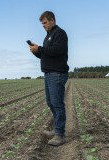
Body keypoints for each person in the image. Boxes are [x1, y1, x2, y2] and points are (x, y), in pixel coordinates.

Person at [29, 11, 69, 146]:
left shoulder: (60, 33)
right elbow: (46, 55)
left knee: (57, 104)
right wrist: (36, 52)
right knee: (51, 103)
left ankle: (60, 134)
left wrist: (40, 48)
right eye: (42, 23)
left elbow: (57, 51)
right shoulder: (48, 37)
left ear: (53, 20)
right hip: (48, 74)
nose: (43, 25)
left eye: (45, 22)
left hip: (57, 74)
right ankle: (58, 130)